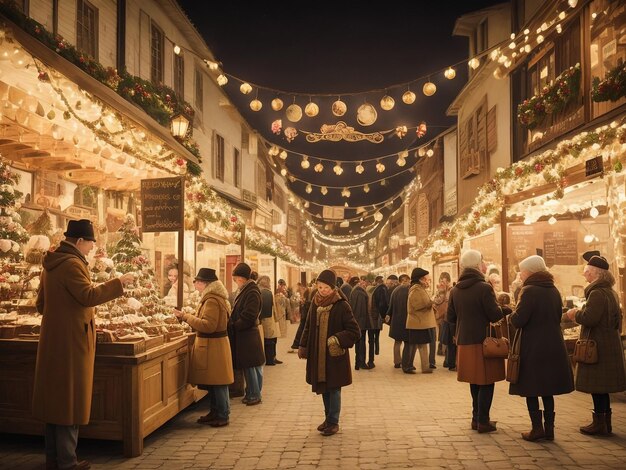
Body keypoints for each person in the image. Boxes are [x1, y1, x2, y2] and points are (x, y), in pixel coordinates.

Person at [32, 219, 135, 470]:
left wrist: (60, 316)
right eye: (91, 242)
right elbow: (88, 296)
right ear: (79, 241)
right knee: (70, 398)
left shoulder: (52, 263)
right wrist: (119, 283)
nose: (92, 248)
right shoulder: (72, 264)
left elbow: (40, 304)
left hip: (53, 339)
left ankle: (53, 458)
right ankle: (68, 461)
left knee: (54, 399)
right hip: (71, 341)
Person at [508, 255, 574, 441]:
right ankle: (549, 429)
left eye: (522, 271)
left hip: (533, 346)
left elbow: (519, 320)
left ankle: (537, 429)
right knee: (547, 388)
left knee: (531, 387)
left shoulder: (528, 291)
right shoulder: (553, 289)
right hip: (553, 344)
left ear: (531, 271)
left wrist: (511, 315)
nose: (520, 275)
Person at [564, 255, 626, 436]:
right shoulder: (610, 292)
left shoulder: (597, 293)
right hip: (607, 344)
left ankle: (600, 424)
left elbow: (590, 318)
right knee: (602, 387)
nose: (585, 277)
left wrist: (575, 314)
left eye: (587, 273)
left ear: (596, 274)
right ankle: (605, 422)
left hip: (598, 346)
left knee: (598, 387)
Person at [446, 249, 504, 433]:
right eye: (483, 261)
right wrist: (505, 309)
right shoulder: (484, 287)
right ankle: (483, 421)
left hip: (464, 340)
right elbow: (494, 314)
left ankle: (475, 418)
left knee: (474, 380)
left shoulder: (455, 289)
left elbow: (450, 317)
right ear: (478, 265)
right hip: (483, 340)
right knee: (486, 380)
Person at [298, 269, 360, 436]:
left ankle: (333, 421)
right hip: (318, 354)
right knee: (323, 387)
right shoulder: (315, 302)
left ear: (333, 288)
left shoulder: (341, 304)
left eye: (326, 287)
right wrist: (303, 345)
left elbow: (355, 331)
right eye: (320, 287)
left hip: (333, 356)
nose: (322, 290)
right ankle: (328, 418)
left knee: (334, 388)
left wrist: (337, 339)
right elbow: (308, 326)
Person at [174, 268, 234, 427]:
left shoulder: (212, 300)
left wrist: (186, 317)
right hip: (214, 346)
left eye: (198, 282)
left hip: (213, 346)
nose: (196, 284)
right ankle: (215, 412)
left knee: (218, 382)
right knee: (215, 382)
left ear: (205, 284)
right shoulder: (214, 298)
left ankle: (222, 414)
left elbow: (208, 326)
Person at [229, 263, 265, 406]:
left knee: (251, 367)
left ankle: (254, 394)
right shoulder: (248, 290)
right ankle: (252, 392)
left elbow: (249, 316)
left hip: (248, 335)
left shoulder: (251, 292)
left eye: (236, 278)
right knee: (253, 366)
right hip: (247, 335)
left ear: (242, 278)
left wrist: (234, 326)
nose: (235, 282)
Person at [406, 268, 436, 374]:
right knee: (417, 345)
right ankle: (410, 366)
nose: (427, 281)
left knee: (420, 344)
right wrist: (430, 303)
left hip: (419, 323)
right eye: (425, 279)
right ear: (420, 279)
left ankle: (423, 366)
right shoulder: (416, 289)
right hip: (417, 322)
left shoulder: (419, 288)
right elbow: (417, 305)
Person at [386, 274, 411, 370]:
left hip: (396, 321)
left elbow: (390, 306)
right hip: (406, 320)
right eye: (408, 280)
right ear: (404, 280)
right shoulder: (409, 291)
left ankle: (397, 362)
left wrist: (388, 315)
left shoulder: (395, 291)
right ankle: (406, 362)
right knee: (407, 342)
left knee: (397, 342)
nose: (408, 282)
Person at [258, 275, 281, 366]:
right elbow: (269, 309)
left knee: (271, 340)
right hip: (268, 320)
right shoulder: (266, 292)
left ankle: (272, 357)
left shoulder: (261, 291)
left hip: (267, 320)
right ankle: (270, 359)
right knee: (270, 340)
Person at [434, 272, 455, 370]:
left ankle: (448, 361)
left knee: (449, 341)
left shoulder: (451, 291)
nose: (441, 282)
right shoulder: (442, 291)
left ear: (448, 281)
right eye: (440, 280)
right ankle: (448, 361)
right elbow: (436, 302)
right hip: (444, 319)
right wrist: (440, 292)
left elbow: (447, 306)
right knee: (447, 340)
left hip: (448, 319)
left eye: (443, 281)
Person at [349, 277, 370, 370]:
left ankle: (358, 363)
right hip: (360, 322)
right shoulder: (360, 293)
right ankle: (361, 362)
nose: (365, 284)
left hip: (356, 320)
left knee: (358, 343)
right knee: (361, 343)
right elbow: (361, 310)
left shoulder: (354, 291)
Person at [289, 283, 311, 353]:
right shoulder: (309, 291)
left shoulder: (308, 290)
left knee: (302, 329)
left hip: (305, 311)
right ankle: (297, 345)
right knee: (303, 329)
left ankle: (297, 345)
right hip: (306, 312)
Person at [370, 275, 388, 359]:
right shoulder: (382, 289)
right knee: (376, 334)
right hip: (378, 314)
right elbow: (382, 303)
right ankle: (376, 350)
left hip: (374, 314)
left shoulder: (375, 289)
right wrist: (383, 315)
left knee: (374, 335)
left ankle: (375, 350)